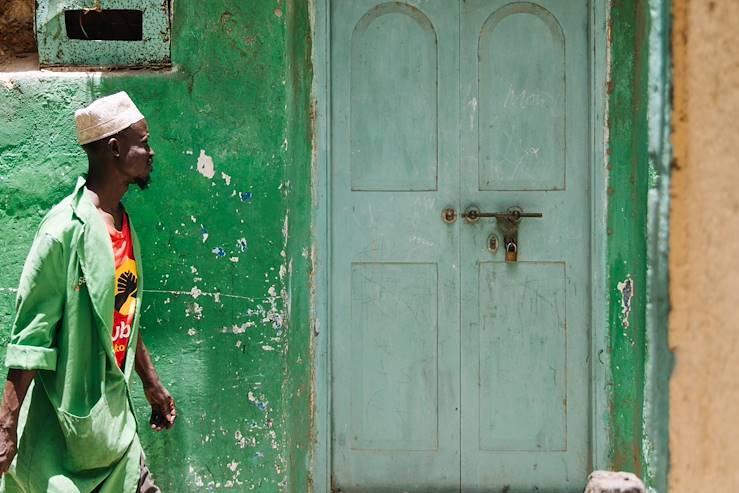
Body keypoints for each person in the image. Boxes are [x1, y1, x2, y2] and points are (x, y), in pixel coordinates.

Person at [0, 92, 176, 492]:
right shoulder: (64, 230)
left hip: (118, 432)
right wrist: (6, 426)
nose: (150, 152)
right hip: (66, 438)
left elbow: (122, 311)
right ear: (115, 148)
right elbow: (30, 338)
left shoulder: (122, 221)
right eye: (143, 142)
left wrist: (150, 382)